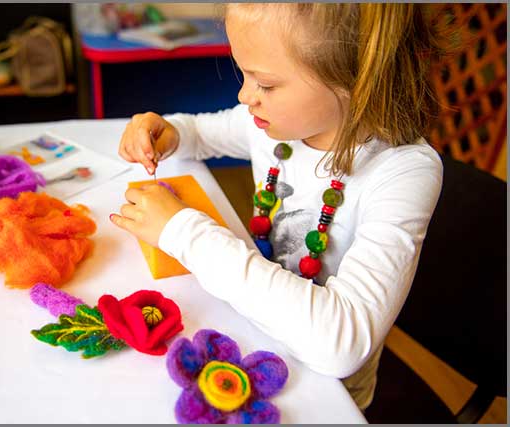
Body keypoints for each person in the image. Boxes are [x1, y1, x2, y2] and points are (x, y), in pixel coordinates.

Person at [110, 3, 447, 411]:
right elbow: (201, 132)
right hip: (252, 337)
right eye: (243, 73)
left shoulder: (402, 171)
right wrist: (169, 132)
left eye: (265, 84)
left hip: (322, 396)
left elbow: (341, 343)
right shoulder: (279, 126)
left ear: (356, 80)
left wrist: (185, 232)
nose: (244, 95)